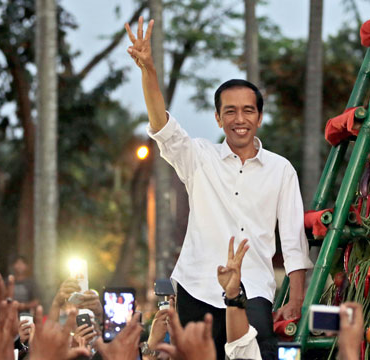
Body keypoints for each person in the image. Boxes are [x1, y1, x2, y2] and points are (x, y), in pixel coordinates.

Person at [125, 16, 313, 360]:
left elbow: (292, 240)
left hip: (253, 287)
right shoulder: (199, 158)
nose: (238, 119)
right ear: (217, 118)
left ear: (258, 117)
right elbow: (161, 125)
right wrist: (148, 69)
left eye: (247, 111)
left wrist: (296, 298)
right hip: (197, 286)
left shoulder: (281, 169)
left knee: (255, 356)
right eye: (230, 112)